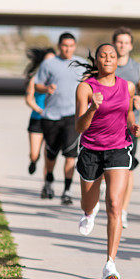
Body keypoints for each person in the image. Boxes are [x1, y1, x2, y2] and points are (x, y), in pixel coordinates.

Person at [73, 43, 140, 279]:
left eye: (112, 55)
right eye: (103, 55)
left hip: (119, 149)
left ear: (117, 60)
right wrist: (93, 107)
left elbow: (128, 112)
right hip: (91, 150)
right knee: (88, 201)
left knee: (114, 203)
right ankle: (89, 211)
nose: (109, 59)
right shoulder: (85, 88)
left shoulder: (127, 86)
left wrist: (133, 126)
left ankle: (110, 263)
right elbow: (79, 126)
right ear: (97, 61)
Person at [35, 32, 86, 205]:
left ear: (75, 46)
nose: (68, 49)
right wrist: (46, 88)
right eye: (65, 46)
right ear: (59, 46)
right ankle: (48, 181)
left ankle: (67, 190)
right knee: (51, 154)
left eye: (71, 46)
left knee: (71, 155)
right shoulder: (49, 64)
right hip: (51, 116)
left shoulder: (82, 64)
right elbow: (37, 85)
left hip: (73, 116)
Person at [113, 27, 140, 229]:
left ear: (131, 45)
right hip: (107, 125)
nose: (122, 46)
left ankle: (123, 210)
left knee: (128, 168)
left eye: (126, 42)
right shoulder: (106, 63)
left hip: (129, 125)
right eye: (119, 42)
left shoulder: (138, 68)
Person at [24, 47, 55, 175]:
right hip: (37, 118)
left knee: (49, 155)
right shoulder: (35, 78)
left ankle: (47, 183)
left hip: (53, 120)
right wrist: (39, 110)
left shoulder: (59, 79)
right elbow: (29, 99)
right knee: (34, 154)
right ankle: (33, 160)